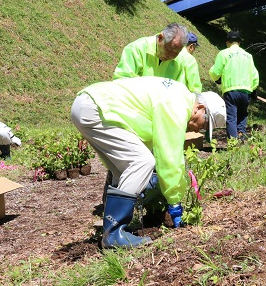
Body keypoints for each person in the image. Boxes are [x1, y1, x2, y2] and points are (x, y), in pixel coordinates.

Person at [71, 76, 226, 249]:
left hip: (89, 103)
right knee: (142, 162)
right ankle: (114, 234)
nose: (199, 129)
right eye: (204, 124)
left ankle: (110, 230)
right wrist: (174, 201)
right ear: (199, 108)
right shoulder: (177, 106)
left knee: (123, 170)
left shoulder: (176, 94)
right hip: (97, 108)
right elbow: (169, 156)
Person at [113, 23, 202, 93]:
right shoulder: (136, 48)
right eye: (169, 49)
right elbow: (121, 81)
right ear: (160, 38)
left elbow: (195, 93)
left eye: (176, 53)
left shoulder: (186, 60)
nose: (170, 55)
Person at [209, 30, 259, 140]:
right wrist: (254, 88)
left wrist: (215, 76)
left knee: (231, 117)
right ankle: (241, 136)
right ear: (239, 42)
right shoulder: (248, 56)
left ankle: (233, 143)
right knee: (242, 115)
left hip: (231, 90)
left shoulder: (224, 53)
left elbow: (215, 72)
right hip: (246, 90)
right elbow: (255, 75)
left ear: (227, 42)